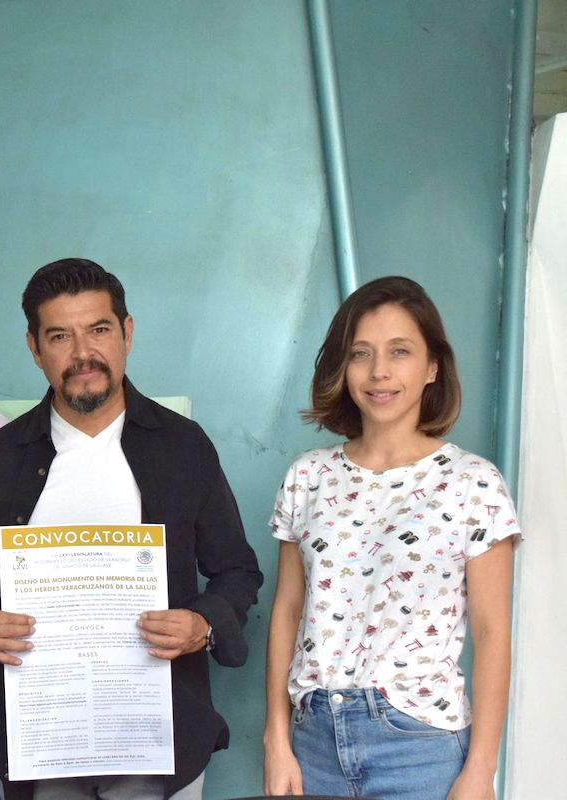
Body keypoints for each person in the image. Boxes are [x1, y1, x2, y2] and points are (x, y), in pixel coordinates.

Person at [0, 258, 264, 800]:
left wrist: (203, 624)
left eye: (98, 330)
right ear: (34, 348)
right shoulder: (0, 457)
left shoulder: (183, 445)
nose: (82, 353)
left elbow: (237, 571)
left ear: (127, 333)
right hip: (40, 740)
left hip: (160, 739)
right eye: (59, 337)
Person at [263, 276, 519, 800]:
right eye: (361, 354)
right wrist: (276, 740)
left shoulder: (473, 483)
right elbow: (286, 611)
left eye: (400, 351)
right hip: (314, 742)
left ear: (432, 367)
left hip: (420, 746)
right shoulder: (308, 476)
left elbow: (493, 632)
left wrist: (480, 771)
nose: (379, 371)